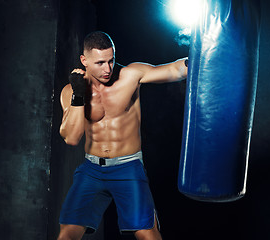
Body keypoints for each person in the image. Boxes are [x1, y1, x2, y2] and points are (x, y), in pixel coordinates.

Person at [57, 31, 188, 240]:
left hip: (128, 166)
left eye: (111, 60)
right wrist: (78, 95)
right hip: (92, 170)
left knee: (146, 232)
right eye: (100, 63)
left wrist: (204, 56)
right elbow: (72, 138)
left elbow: (174, 70)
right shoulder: (70, 92)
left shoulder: (130, 75)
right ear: (84, 61)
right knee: (67, 234)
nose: (107, 69)